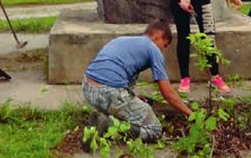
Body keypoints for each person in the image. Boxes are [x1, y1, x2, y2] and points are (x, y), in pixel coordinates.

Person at [82, 20, 192, 149]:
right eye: (165, 45)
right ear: (159, 36)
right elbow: (167, 94)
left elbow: (113, 70)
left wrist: (132, 97)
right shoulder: (152, 49)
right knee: (155, 130)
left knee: (130, 112)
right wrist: (190, 114)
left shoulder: (121, 40)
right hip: (109, 92)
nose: (162, 50)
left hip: (88, 89)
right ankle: (107, 125)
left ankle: (100, 123)